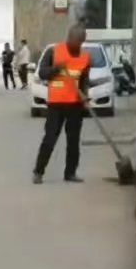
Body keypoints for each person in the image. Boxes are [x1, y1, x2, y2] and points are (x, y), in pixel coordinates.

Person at [33, 24, 91, 185]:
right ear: (69, 37)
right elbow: (42, 73)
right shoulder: (54, 51)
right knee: (50, 138)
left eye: (78, 41)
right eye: (72, 40)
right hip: (55, 105)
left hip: (75, 105)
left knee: (73, 141)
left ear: (82, 41)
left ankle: (70, 172)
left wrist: (85, 96)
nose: (74, 43)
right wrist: (56, 68)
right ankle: (38, 172)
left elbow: (84, 80)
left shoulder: (85, 57)